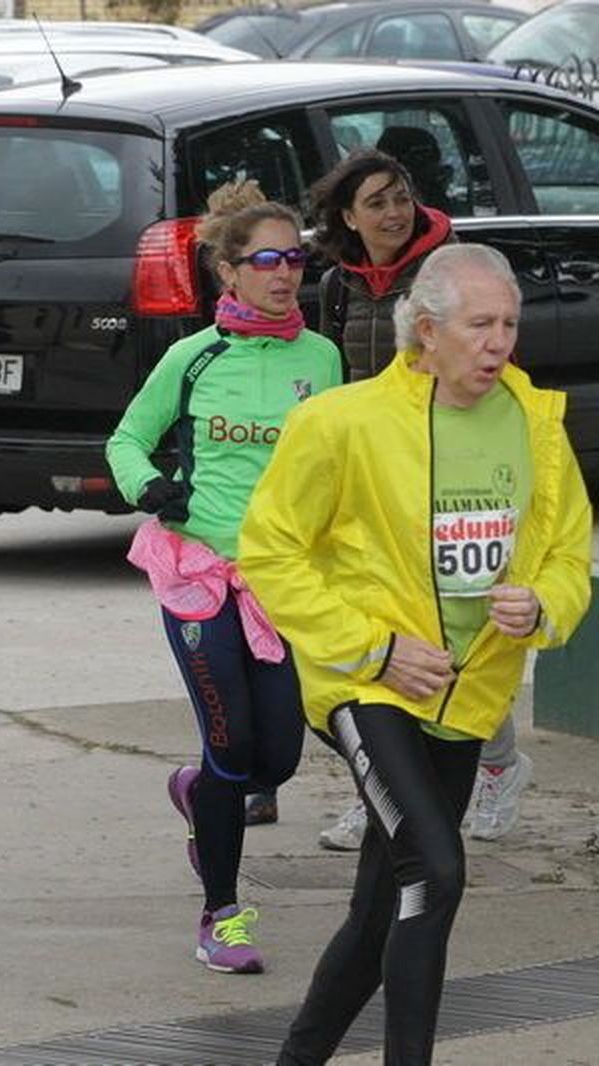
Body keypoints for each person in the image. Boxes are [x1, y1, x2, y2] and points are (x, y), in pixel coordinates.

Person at [238, 244, 591, 1063]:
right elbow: (270, 550)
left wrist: (541, 604)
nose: (499, 341)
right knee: (435, 870)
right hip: (369, 687)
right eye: (480, 324)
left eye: (509, 323)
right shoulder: (343, 422)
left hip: (469, 696)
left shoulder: (536, 425)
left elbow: (570, 555)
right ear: (426, 331)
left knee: (379, 909)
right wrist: (374, 648)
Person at [106, 179, 343, 974]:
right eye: (268, 260)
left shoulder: (323, 357)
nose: (285, 273)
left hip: (284, 579)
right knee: (231, 741)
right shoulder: (192, 355)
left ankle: (197, 786)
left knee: (273, 759)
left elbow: (339, 465)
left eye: (296, 259)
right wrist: (149, 488)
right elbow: (126, 441)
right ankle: (222, 913)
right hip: (201, 572)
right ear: (228, 272)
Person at [296, 148, 534, 851]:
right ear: (348, 217)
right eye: (377, 203)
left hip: (448, 470)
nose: (395, 212)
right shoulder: (340, 283)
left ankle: (494, 766)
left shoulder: (449, 273)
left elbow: (493, 371)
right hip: (372, 471)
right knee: (374, 640)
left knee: (454, 634)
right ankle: (381, 791)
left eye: (401, 197)